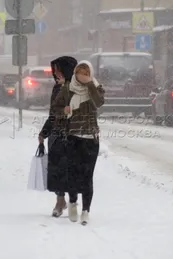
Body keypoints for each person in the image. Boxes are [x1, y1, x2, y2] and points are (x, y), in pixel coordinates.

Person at [51, 60, 105, 225]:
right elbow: (55, 109)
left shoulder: (96, 88)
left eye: (86, 74)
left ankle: (86, 211)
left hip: (91, 139)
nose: (82, 76)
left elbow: (98, 103)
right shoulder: (68, 89)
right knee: (73, 175)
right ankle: (73, 202)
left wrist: (89, 85)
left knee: (87, 177)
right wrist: (64, 110)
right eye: (80, 73)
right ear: (75, 74)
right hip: (73, 137)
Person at [38, 56, 77, 218]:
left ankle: (72, 201)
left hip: (73, 134)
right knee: (56, 169)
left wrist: (65, 89)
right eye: (54, 71)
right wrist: (44, 132)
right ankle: (59, 200)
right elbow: (53, 114)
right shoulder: (56, 88)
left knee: (70, 169)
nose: (55, 74)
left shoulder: (78, 88)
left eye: (58, 70)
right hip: (56, 133)